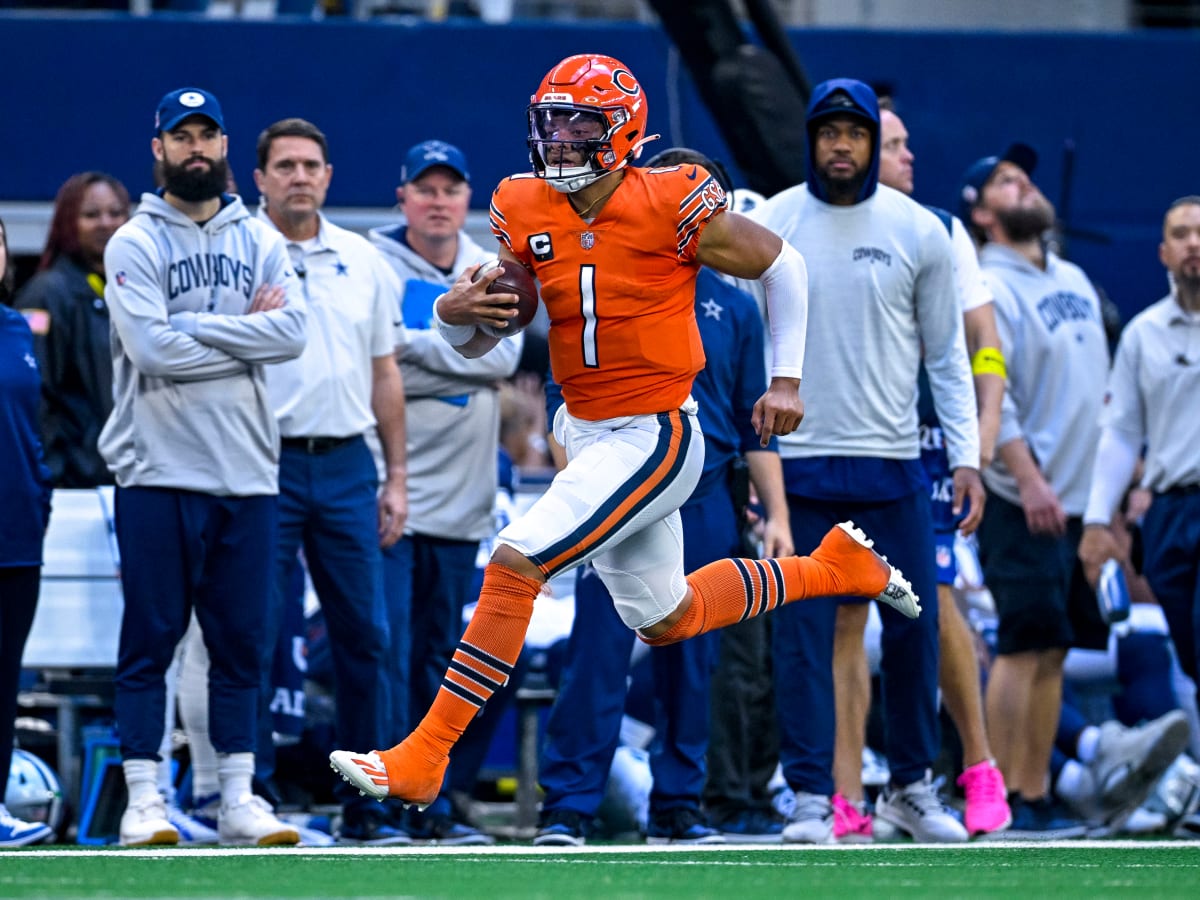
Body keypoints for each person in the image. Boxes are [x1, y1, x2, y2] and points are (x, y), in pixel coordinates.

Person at [329, 53, 920, 810]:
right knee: (667, 615)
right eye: (553, 122)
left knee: (516, 561)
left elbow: (785, 266)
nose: (564, 139)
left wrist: (786, 379)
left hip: (654, 431)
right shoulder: (522, 202)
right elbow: (487, 338)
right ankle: (836, 569)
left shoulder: (673, 199)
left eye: (583, 123)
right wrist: (453, 315)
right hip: (582, 427)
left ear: (626, 131)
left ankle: (425, 755)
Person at [532, 147, 794, 847]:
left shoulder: (736, 306)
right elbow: (566, 398)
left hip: (707, 492)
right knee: (599, 649)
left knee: (694, 656)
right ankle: (568, 806)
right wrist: (577, 498)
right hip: (616, 493)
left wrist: (778, 519)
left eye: (707, 197)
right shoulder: (601, 276)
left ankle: (680, 805)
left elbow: (753, 424)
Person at [744, 78, 982, 844]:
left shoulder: (922, 230)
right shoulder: (773, 223)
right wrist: (758, 468)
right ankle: (812, 796)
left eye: (855, 132)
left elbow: (948, 357)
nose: (841, 145)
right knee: (802, 639)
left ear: (873, 144)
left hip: (894, 468)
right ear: (811, 140)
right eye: (828, 132)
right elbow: (744, 348)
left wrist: (969, 458)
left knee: (914, 634)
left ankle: (912, 789)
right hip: (802, 470)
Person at [101, 87, 307, 847]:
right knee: (150, 641)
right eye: (180, 136)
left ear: (225, 148)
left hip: (248, 471)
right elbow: (150, 350)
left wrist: (192, 325)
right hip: (156, 469)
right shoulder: (134, 241)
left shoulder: (260, 237)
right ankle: (145, 798)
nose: (195, 148)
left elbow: (290, 333)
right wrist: (236, 332)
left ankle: (237, 800)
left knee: (241, 645)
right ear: (157, 148)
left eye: (207, 136)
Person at [823, 99, 1010, 840]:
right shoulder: (814, 219)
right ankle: (844, 796)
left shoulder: (940, 228)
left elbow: (986, 346)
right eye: (890, 144)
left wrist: (982, 438)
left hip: (927, 436)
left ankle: (977, 765)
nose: (905, 158)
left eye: (902, 144)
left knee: (929, 594)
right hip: (843, 437)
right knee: (843, 604)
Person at [250, 117, 409, 845]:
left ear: (329, 175)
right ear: (259, 179)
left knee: (366, 637)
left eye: (310, 164)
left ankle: (367, 803)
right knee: (250, 631)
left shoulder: (364, 259)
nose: (298, 177)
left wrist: (396, 476)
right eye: (284, 166)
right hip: (262, 458)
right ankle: (246, 794)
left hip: (348, 461)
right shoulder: (239, 251)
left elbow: (386, 374)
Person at [366, 139, 521, 845]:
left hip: (461, 506)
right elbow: (374, 354)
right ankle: (374, 800)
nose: (437, 201)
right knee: (383, 650)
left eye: (450, 189)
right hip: (389, 494)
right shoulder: (370, 260)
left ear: (467, 200)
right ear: (402, 197)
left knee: (440, 656)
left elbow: (511, 355)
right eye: (423, 188)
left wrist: (411, 350)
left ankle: (431, 800)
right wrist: (459, 347)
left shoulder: (489, 265)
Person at [956, 141, 1110, 836]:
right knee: (1022, 642)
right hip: (1024, 497)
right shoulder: (987, 287)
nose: (1024, 188)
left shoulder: (1074, 279)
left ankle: (1038, 789)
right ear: (983, 213)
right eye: (1007, 184)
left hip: (1075, 500)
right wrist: (1028, 478)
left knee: (1056, 646)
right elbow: (998, 397)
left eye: (1025, 178)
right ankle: (1004, 795)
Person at [1079, 196, 1200, 690]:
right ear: (1163, 253)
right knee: (1190, 655)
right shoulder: (1142, 335)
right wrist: (1095, 519)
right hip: (1169, 518)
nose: (1194, 242)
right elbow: (1122, 433)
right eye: (1180, 234)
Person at [14, 172, 131, 487]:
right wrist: (57, 468)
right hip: (76, 487)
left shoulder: (135, 291)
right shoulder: (45, 294)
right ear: (68, 222)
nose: (106, 223)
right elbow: (32, 392)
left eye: (116, 212)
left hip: (128, 478)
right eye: (91, 214)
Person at [0, 216, 56, 849]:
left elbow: (32, 425)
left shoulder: (16, 327)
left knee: (6, 677)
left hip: (17, 535)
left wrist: (37, 496)